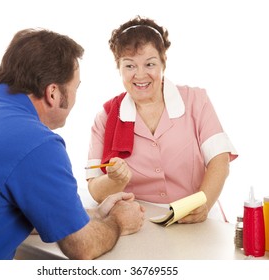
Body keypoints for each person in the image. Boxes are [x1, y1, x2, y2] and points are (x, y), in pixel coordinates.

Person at [0, 28, 145, 260]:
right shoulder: (36, 142)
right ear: (53, 93)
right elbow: (82, 248)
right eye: (75, 87)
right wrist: (118, 221)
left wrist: (93, 215)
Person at [86, 16, 238, 224]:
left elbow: (220, 162)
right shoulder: (106, 117)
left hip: (196, 216)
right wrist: (114, 179)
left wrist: (203, 203)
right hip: (138, 223)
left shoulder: (196, 100)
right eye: (129, 66)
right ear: (118, 68)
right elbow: (95, 190)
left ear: (163, 61)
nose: (140, 75)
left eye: (149, 64)